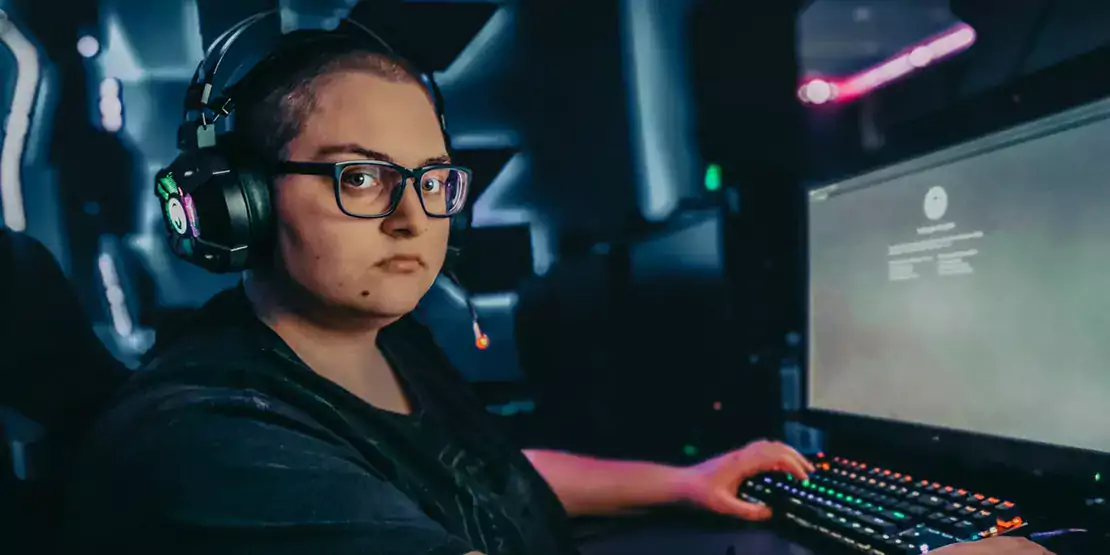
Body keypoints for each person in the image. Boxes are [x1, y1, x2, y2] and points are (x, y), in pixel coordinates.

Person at [57, 25, 1053, 555]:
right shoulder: (207, 441)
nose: (416, 218)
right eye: (359, 177)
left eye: (434, 179)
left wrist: (681, 482)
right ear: (231, 204)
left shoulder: (375, 348)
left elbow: (481, 472)